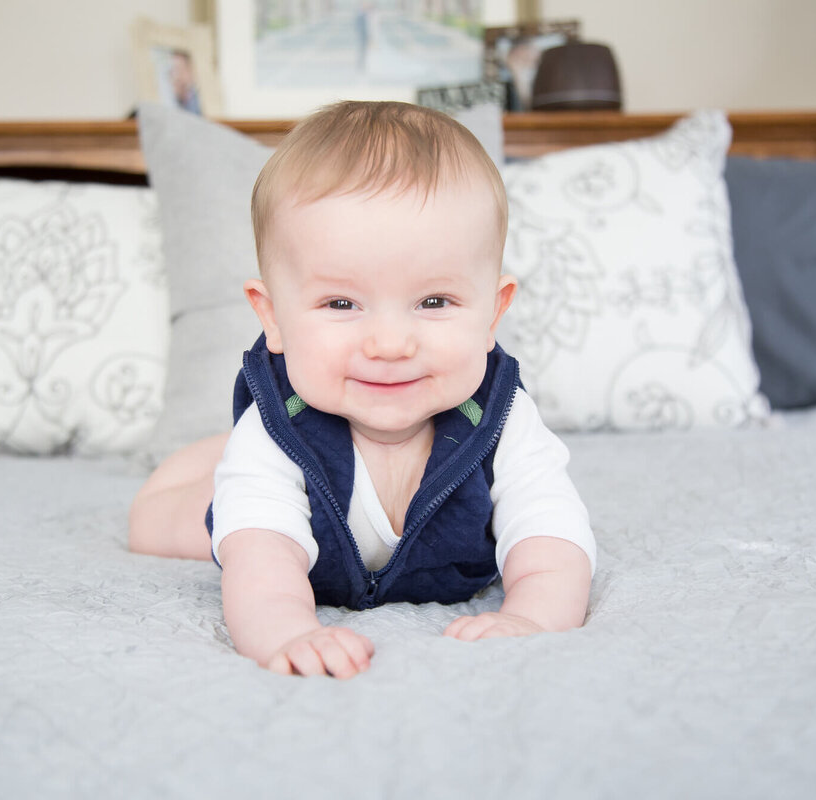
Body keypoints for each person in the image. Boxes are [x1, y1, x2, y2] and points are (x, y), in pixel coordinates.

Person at [129, 101, 596, 679]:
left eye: (434, 302)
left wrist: (531, 619)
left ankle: (219, 457)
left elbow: (552, 534)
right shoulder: (278, 435)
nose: (391, 343)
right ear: (273, 317)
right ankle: (209, 464)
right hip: (283, 489)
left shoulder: (501, 420)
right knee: (166, 525)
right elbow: (261, 562)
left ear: (493, 313)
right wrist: (289, 632)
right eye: (342, 304)